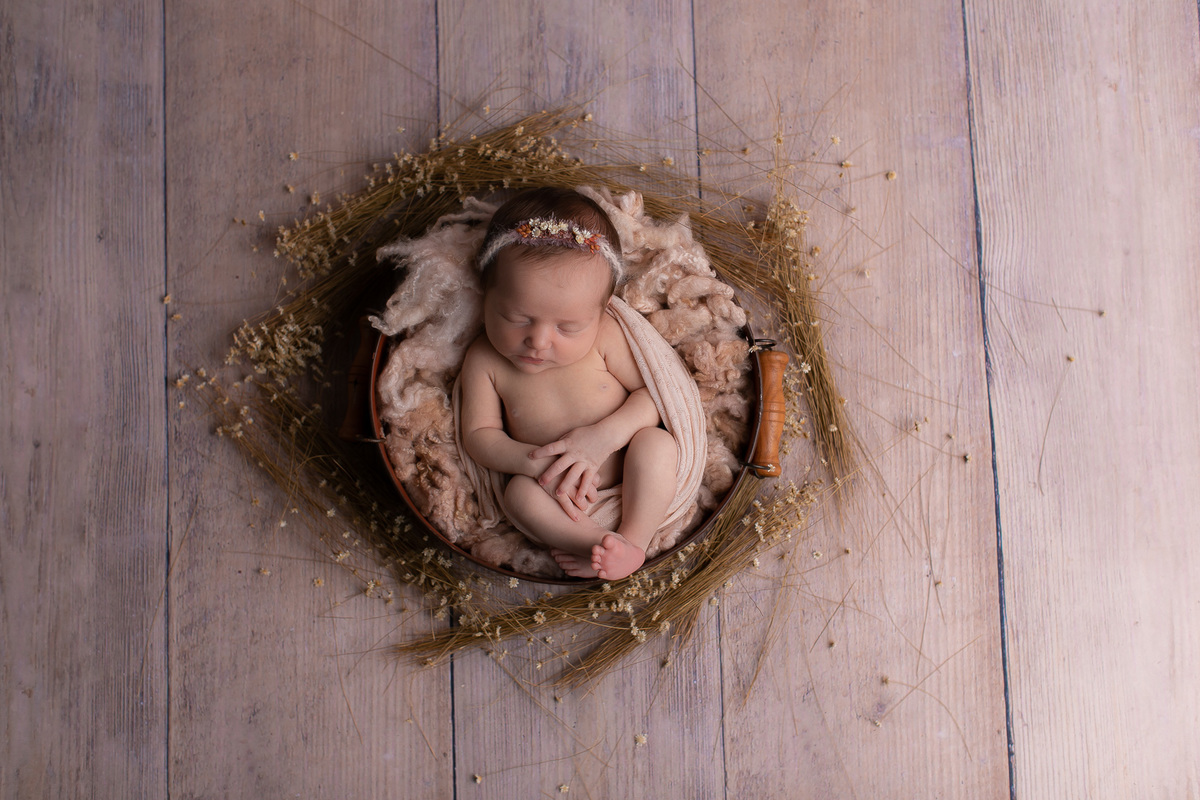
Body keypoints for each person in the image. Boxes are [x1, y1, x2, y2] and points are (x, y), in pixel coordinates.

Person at [459, 187, 680, 580]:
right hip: (558, 494)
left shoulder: (606, 336)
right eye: (516, 318)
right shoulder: (484, 359)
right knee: (518, 495)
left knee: (658, 445)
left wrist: (606, 436)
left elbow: (654, 395)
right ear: (486, 294)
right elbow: (479, 436)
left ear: (601, 311)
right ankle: (595, 542)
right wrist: (531, 462)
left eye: (568, 327)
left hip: (632, 471)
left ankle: (634, 540)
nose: (539, 341)